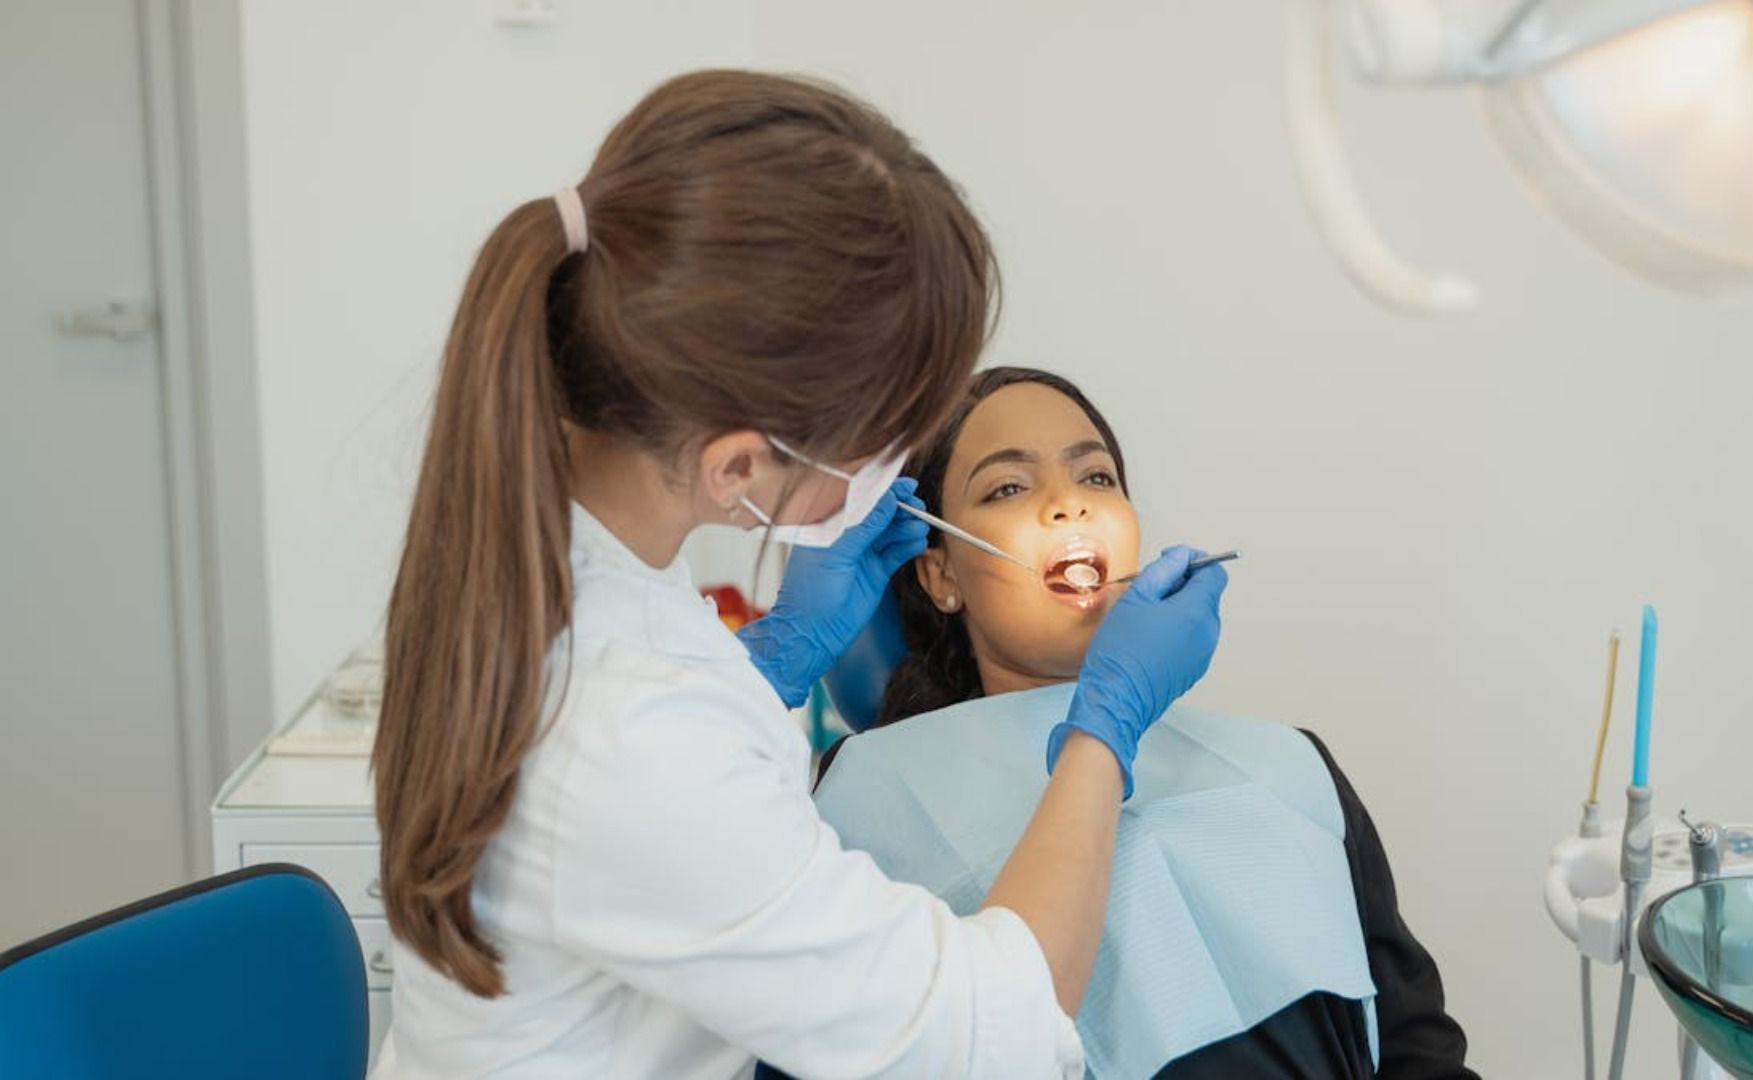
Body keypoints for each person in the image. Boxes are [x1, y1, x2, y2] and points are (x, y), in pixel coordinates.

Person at [368, 73, 1227, 1079]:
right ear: (735, 466)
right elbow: (989, 1034)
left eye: (1093, 474)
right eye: (891, 436)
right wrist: (1104, 727)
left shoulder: (547, 552)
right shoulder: (631, 737)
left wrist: (770, 662)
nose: (1067, 508)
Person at [811, 368, 1480, 1079]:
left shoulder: (1294, 767)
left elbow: (1420, 1055)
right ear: (940, 574)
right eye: (1008, 487)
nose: (1068, 505)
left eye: (1095, 478)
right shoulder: (858, 799)